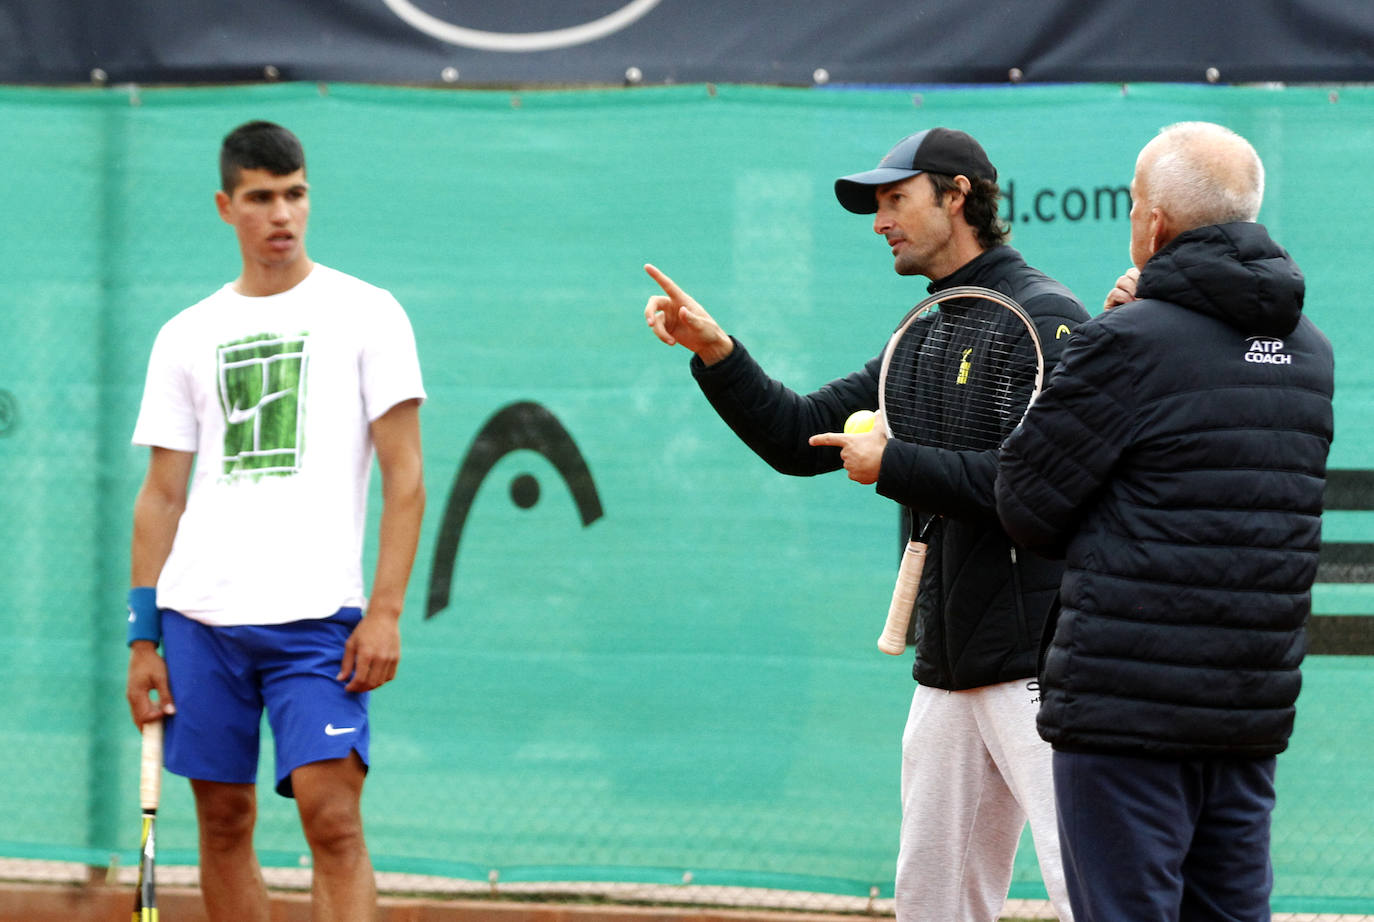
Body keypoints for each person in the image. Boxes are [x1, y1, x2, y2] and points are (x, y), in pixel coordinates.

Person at [644, 127, 1087, 922]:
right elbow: (798, 435)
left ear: (958, 197)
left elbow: (1040, 489)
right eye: (875, 205)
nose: (880, 219)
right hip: (950, 669)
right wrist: (716, 351)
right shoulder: (923, 330)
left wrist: (895, 466)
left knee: (1091, 889)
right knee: (931, 903)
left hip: (1039, 668)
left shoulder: (1048, 318)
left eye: (896, 199)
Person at [995, 121, 1335, 921]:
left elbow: (1026, 502)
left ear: (1153, 224)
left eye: (1135, 204)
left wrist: (1101, 345)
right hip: (1248, 710)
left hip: (1126, 713)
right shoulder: (1309, 351)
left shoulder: (1128, 343)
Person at [124, 120, 426, 922]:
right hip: (199, 621)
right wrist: (142, 637)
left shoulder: (370, 313)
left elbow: (407, 478)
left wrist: (386, 612)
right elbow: (160, 495)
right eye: (260, 198)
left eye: (294, 195)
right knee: (223, 823)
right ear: (227, 207)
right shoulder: (185, 334)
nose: (281, 215)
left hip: (320, 622)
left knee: (332, 823)